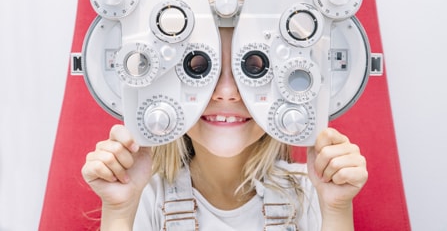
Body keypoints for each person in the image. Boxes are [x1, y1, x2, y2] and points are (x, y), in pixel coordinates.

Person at [82, 27, 368, 231]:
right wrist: (119, 211)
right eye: (199, 68)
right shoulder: (145, 195)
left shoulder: (310, 190)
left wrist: (336, 208)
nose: (227, 92)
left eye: (254, 68)